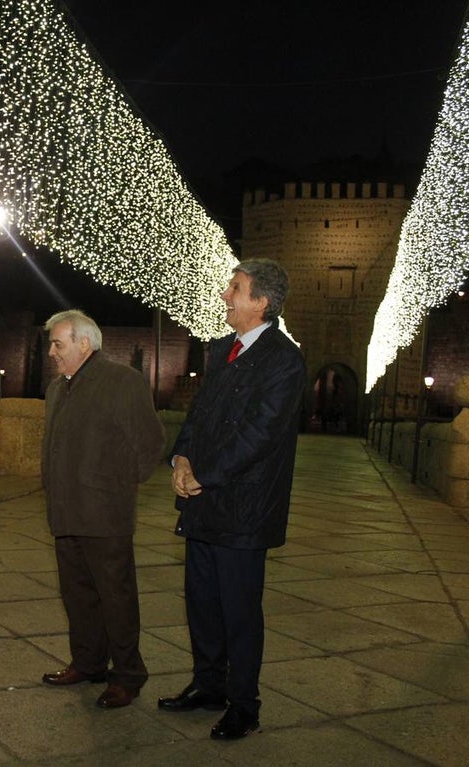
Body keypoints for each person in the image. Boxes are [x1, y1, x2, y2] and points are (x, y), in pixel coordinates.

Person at [159, 258, 306, 740]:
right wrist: (181, 460)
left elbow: (260, 433)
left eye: (236, 288)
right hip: (203, 501)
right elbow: (197, 417)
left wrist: (206, 474)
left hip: (244, 508)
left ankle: (245, 703)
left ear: (261, 301)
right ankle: (208, 686)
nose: (226, 295)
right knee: (201, 600)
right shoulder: (222, 349)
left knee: (239, 610)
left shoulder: (283, 359)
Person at [39, 310, 164, 709]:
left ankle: (128, 674)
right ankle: (88, 662)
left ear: (84, 343)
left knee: (115, 597)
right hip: (65, 510)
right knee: (77, 594)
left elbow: (149, 444)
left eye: (58, 344)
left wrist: (114, 484)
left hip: (105, 513)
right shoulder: (59, 387)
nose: (51, 352)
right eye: (51, 344)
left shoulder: (122, 381)